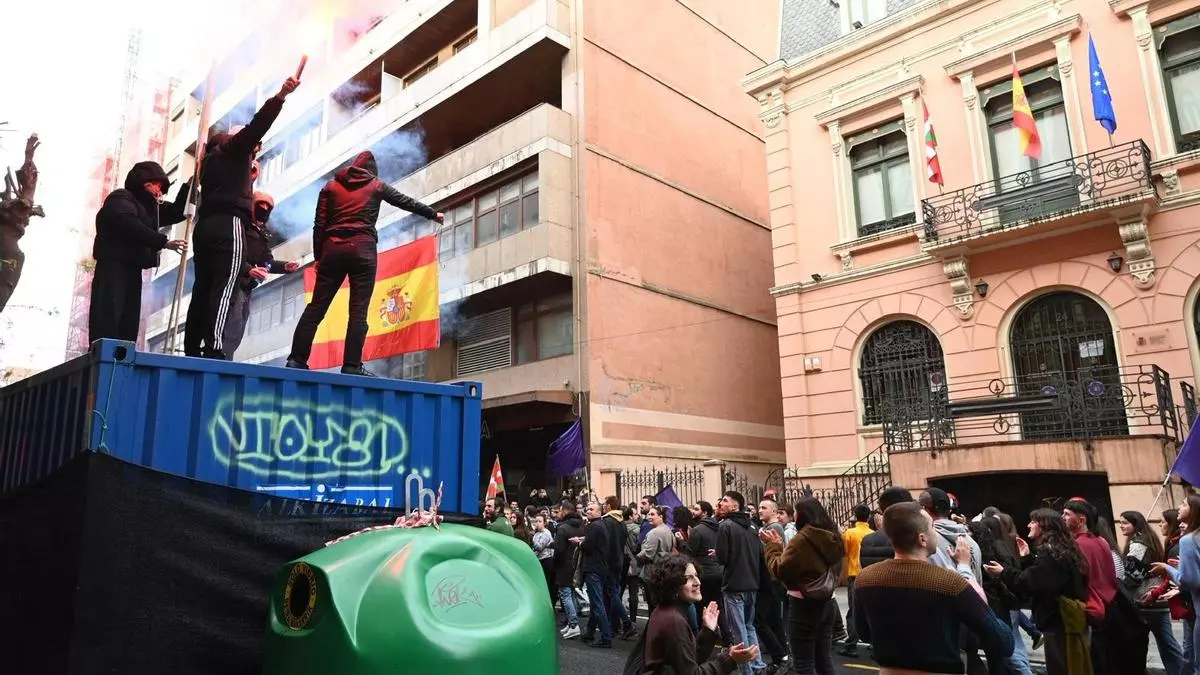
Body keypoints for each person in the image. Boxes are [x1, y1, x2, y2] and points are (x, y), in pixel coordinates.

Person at [285, 151, 443, 376]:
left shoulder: (330, 188)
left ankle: (297, 360)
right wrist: (432, 214)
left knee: (316, 308)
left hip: (332, 251)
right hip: (363, 250)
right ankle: (351, 365)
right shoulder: (376, 186)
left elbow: (318, 225)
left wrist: (319, 257)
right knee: (358, 312)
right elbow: (405, 202)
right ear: (371, 170)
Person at [185, 76, 299, 359]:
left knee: (204, 286)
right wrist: (281, 95)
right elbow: (258, 124)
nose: (255, 150)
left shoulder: (210, 160)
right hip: (227, 224)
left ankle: (192, 346)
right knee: (225, 285)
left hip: (204, 227)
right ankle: (214, 348)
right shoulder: (235, 150)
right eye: (254, 147)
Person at [858, 502, 1014, 674]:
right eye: (932, 527)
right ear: (922, 539)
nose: (936, 533)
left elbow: (864, 633)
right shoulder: (949, 583)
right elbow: (1003, 640)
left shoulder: (864, 578)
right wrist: (966, 572)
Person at [89, 161, 189, 343]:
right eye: (158, 185)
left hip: (133, 268)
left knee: (129, 319)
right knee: (109, 314)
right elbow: (126, 223)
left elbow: (177, 212)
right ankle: (102, 355)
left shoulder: (150, 209)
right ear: (146, 182)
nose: (160, 191)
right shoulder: (121, 198)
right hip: (113, 265)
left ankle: (123, 355)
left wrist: (189, 186)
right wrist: (163, 242)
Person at [985, 509, 1091, 675]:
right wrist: (1028, 558)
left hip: (1059, 621)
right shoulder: (1061, 549)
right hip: (1065, 620)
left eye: (1033, 521)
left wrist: (1003, 572)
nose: (1028, 525)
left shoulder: (1051, 553)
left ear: (1044, 525)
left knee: (1063, 667)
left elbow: (1029, 582)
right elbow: (1041, 577)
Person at [638, 553, 760, 675]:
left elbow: (686, 660)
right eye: (688, 578)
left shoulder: (666, 611)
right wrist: (730, 660)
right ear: (673, 584)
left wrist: (708, 631)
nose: (697, 582)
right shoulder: (673, 620)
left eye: (696, 576)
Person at [760, 497, 843, 675]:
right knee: (823, 659)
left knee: (803, 662)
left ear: (802, 515)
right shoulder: (834, 535)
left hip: (804, 603)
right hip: (828, 600)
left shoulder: (802, 540)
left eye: (796, 512)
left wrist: (772, 547)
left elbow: (780, 570)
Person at [218, 192, 299, 358]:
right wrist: (248, 269)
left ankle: (226, 359)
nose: (264, 209)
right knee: (232, 324)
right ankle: (220, 358)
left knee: (239, 325)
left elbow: (266, 262)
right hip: (231, 282)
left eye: (268, 207)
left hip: (247, 287)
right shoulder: (238, 225)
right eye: (260, 205)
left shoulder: (261, 234)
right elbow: (231, 253)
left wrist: (285, 266)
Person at [1119, 510, 1185, 675]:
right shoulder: (1149, 540)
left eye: (1125, 523)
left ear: (1135, 524)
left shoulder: (1138, 544)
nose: (1121, 526)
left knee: (1141, 642)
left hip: (1146, 599)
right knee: (1165, 641)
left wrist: (1121, 585)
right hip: (1156, 597)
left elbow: (1132, 573)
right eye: (1120, 522)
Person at [716, 491, 768, 675]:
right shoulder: (753, 527)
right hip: (752, 583)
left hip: (734, 584)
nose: (721, 503)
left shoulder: (726, 526)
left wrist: (719, 553)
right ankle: (758, 665)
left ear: (735, 505)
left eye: (725, 501)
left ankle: (747, 670)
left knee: (738, 631)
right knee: (749, 626)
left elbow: (722, 558)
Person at [838, 503, 873, 658]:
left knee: (853, 611)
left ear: (854, 515)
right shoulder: (872, 533)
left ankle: (851, 644)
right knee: (870, 610)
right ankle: (873, 642)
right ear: (869, 517)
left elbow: (843, 552)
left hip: (854, 574)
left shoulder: (850, 533)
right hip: (870, 574)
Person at [552, 501, 584, 639]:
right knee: (571, 592)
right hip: (576, 563)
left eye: (560, 510)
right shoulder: (582, 526)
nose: (558, 513)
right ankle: (572, 623)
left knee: (566, 594)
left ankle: (573, 624)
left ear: (564, 511)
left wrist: (554, 559)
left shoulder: (562, 527)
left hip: (564, 564)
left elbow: (558, 549)